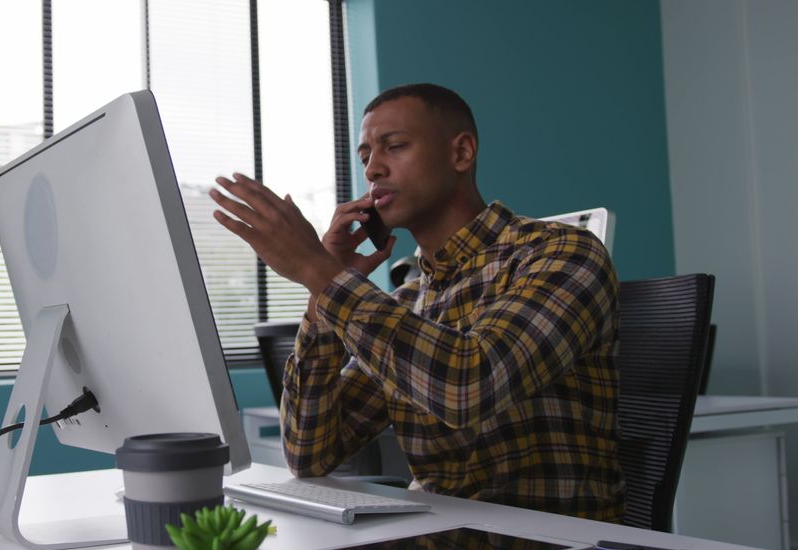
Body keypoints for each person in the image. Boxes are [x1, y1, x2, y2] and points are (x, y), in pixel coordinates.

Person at [208, 83, 624, 522]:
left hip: (552, 544)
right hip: (434, 542)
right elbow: (311, 454)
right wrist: (321, 297)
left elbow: (468, 386)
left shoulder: (564, 253)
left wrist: (322, 274)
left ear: (461, 153)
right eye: (365, 155)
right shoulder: (406, 302)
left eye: (395, 146)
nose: (372, 170)